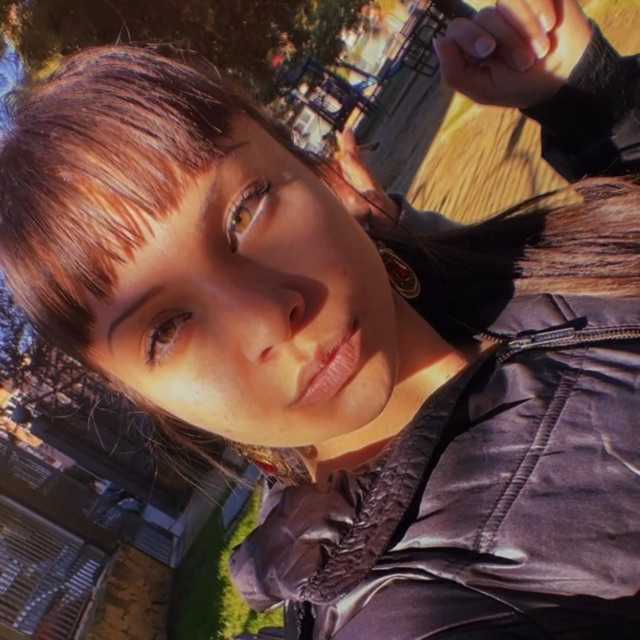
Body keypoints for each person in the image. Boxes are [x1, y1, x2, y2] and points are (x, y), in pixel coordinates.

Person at [0, 1, 639, 638]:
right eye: (166, 331)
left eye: (245, 212)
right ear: (146, 400)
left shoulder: (493, 279)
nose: (266, 318)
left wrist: (594, 99)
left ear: (320, 176)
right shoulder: (417, 615)